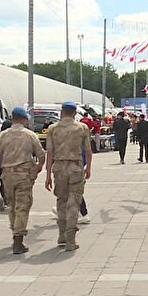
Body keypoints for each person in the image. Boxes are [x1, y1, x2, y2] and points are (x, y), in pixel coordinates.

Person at [0, 106, 45, 254]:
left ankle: (15, 234)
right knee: (22, 207)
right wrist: (39, 167)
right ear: (24, 119)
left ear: (12, 119)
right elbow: (41, 155)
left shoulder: (3, 136)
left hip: (7, 175)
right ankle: (18, 240)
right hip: (24, 176)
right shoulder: (30, 135)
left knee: (12, 206)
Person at [45, 101, 92, 251]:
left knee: (61, 201)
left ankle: (61, 235)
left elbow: (50, 153)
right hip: (75, 167)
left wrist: (47, 174)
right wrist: (88, 168)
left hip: (58, 167)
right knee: (74, 202)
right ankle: (71, 240)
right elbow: (88, 151)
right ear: (74, 113)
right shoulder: (82, 128)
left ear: (61, 112)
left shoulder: (52, 129)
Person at [0, 119, 13, 211]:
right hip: (6, 164)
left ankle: (4, 199)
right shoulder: (9, 136)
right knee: (9, 183)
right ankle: (6, 200)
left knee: (2, 182)